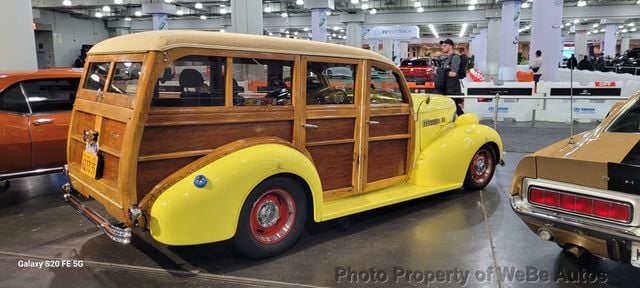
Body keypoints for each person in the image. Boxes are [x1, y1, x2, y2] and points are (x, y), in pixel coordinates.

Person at [434, 38, 464, 115]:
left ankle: (465, 121)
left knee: (455, 107)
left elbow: (453, 73)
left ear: (451, 46)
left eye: (445, 45)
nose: (442, 47)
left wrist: (440, 72)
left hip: (453, 88)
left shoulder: (455, 57)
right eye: (442, 45)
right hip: (446, 87)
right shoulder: (447, 59)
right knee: (450, 107)